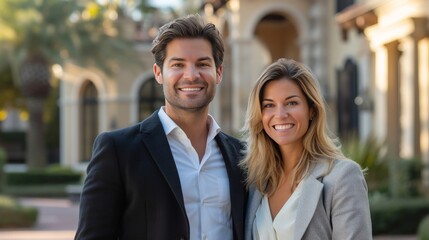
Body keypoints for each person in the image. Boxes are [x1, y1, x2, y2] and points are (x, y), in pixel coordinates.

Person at [75, 14, 246, 240]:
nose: (191, 75)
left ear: (218, 73)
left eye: (203, 64)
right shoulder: (118, 150)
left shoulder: (240, 156)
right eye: (178, 65)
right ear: (159, 74)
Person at [240, 58, 372, 240]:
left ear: (312, 110)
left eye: (291, 103)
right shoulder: (256, 182)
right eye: (269, 105)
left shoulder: (342, 177)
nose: (280, 115)